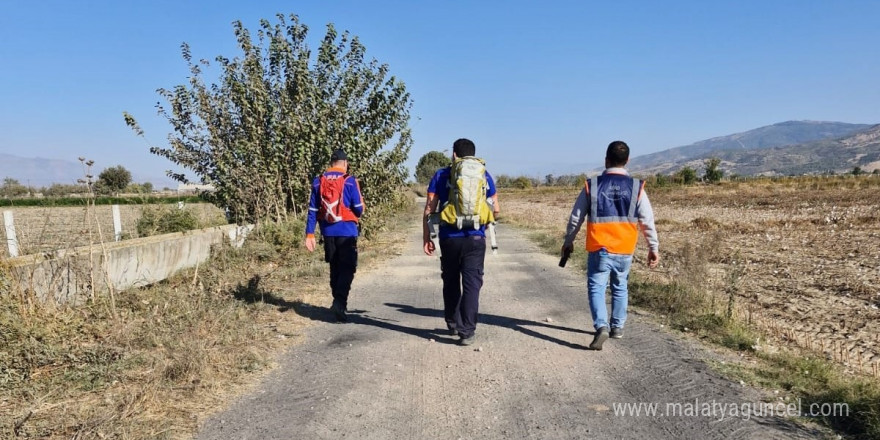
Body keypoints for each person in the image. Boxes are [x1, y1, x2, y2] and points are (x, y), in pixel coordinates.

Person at [561, 141, 660, 350]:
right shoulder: (637, 187)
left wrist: (568, 241)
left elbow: (575, 217)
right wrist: (653, 247)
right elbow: (647, 220)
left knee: (596, 287)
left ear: (606, 160)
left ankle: (601, 326)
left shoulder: (592, 185)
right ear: (627, 161)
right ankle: (617, 327)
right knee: (620, 286)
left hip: (600, 248)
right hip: (625, 248)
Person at [422, 138, 500, 346]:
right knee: (472, 283)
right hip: (475, 238)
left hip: (449, 238)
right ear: (473, 155)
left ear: (454, 155)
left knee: (450, 280)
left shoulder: (441, 175)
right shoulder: (485, 175)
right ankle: (467, 330)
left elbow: (430, 209)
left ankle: (453, 321)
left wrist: (427, 237)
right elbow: (496, 209)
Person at [305, 149, 365, 322]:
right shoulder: (350, 181)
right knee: (348, 268)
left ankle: (337, 300)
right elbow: (359, 209)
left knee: (335, 267)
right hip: (347, 232)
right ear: (345, 163)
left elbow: (313, 210)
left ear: (331, 163)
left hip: (327, 232)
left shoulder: (318, 181)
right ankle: (339, 302)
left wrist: (310, 234)